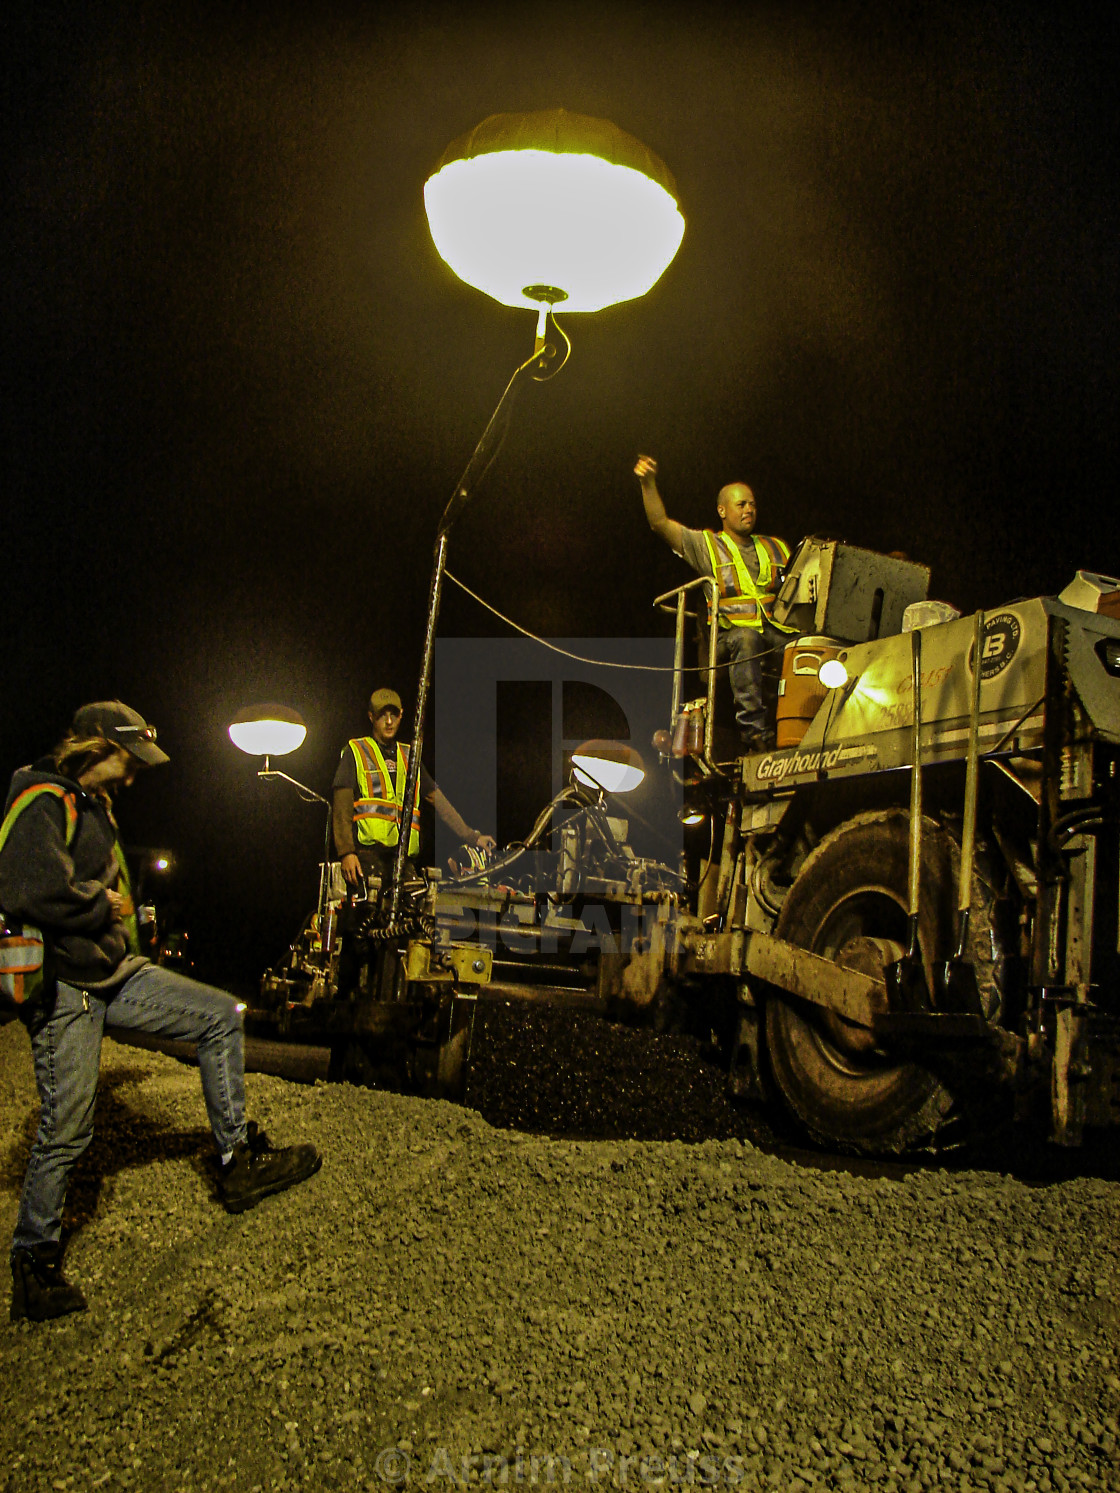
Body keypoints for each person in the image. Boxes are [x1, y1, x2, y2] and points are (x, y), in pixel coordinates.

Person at [0, 701, 322, 1323]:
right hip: (69, 986)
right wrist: (105, 907)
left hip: (113, 973)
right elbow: (26, 889)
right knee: (66, 1128)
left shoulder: (95, 806)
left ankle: (237, 1164)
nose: (132, 775)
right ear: (95, 745)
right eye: (128, 760)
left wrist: (117, 926)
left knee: (219, 1014)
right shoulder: (42, 797)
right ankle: (32, 1262)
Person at [635, 454, 797, 749]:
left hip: (774, 632)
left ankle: (804, 722)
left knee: (805, 646)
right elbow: (659, 523)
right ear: (722, 510)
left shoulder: (776, 547)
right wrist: (648, 482)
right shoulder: (707, 545)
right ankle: (755, 732)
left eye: (752, 504)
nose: (749, 509)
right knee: (747, 640)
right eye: (741, 504)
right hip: (727, 640)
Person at [332, 688, 496, 888]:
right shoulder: (356, 751)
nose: (389, 721)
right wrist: (346, 852)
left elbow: (441, 803)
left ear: (401, 714)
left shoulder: (410, 756)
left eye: (393, 714)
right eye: (382, 715)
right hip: (367, 858)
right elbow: (341, 809)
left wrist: (472, 837)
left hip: (403, 861)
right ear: (371, 717)